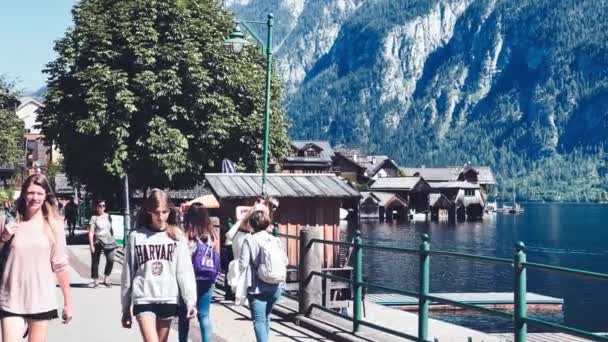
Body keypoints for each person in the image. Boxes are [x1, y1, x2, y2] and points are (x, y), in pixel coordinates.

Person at [0, 174, 73, 341]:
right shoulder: (8, 220)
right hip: (11, 297)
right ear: (24, 194)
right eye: (31, 193)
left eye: (39, 193)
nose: (35, 198)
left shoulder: (54, 225)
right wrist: (3, 237)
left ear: (46, 195)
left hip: (41, 298)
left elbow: (60, 265)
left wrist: (68, 303)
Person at [121, 189, 197, 342]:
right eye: (157, 212)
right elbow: (128, 273)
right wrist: (125, 307)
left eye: (165, 212)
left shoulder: (176, 236)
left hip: (167, 297)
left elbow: (184, 271)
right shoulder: (137, 237)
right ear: (149, 211)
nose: (161, 217)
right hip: (143, 297)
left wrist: (190, 301)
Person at [238, 208, 287, 342]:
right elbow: (285, 261)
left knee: (259, 320)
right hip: (276, 286)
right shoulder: (275, 240)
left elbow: (242, 264)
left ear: (252, 224)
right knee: (266, 317)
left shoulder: (249, 240)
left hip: (257, 287)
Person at [178, 203, 220, 342]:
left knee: (184, 315)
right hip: (208, 278)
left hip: (190, 278)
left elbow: (182, 258)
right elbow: (217, 256)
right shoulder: (213, 235)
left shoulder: (188, 234)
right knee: (204, 315)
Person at [88, 198, 116, 288]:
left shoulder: (108, 216)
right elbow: (91, 232)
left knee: (111, 259)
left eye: (104, 206)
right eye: (100, 206)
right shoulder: (94, 218)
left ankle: (106, 278)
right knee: (95, 261)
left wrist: (114, 241)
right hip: (98, 241)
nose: (102, 207)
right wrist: (91, 245)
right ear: (96, 207)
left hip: (108, 240)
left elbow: (111, 230)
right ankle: (95, 280)